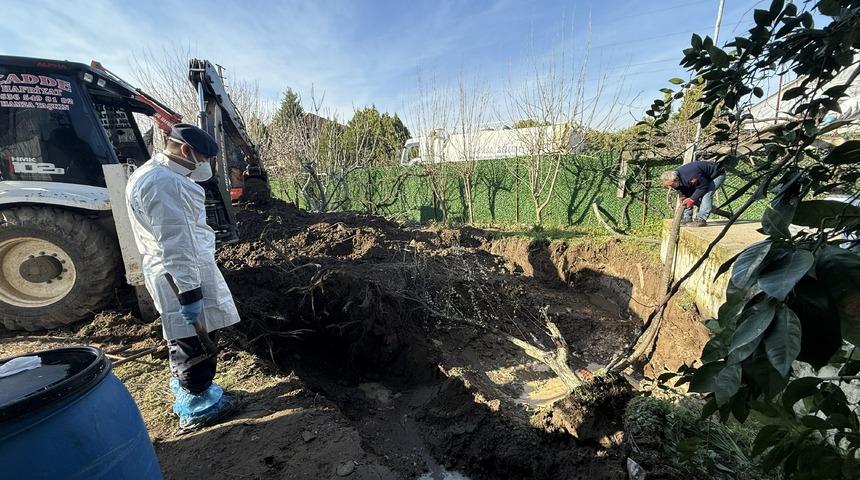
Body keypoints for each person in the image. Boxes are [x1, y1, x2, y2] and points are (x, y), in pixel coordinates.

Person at [125, 123, 240, 432]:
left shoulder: (150, 174)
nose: (205, 167)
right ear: (186, 151)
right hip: (183, 275)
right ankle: (200, 405)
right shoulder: (168, 184)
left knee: (183, 337)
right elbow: (177, 240)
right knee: (195, 341)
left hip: (170, 272)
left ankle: (190, 388)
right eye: (203, 159)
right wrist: (190, 291)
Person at [660, 161, 726, 227]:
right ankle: (687, 218)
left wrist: (692, 199)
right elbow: (682, 190)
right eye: (668, 185)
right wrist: (683, 196)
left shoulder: (690, 176)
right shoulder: (675, 178)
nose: (670, 187)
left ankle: (701, 220)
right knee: (685, 198)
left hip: (716, 175)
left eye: (671, 185)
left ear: (676, 179)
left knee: (706, 195)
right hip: (703, 178)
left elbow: (703, 187)